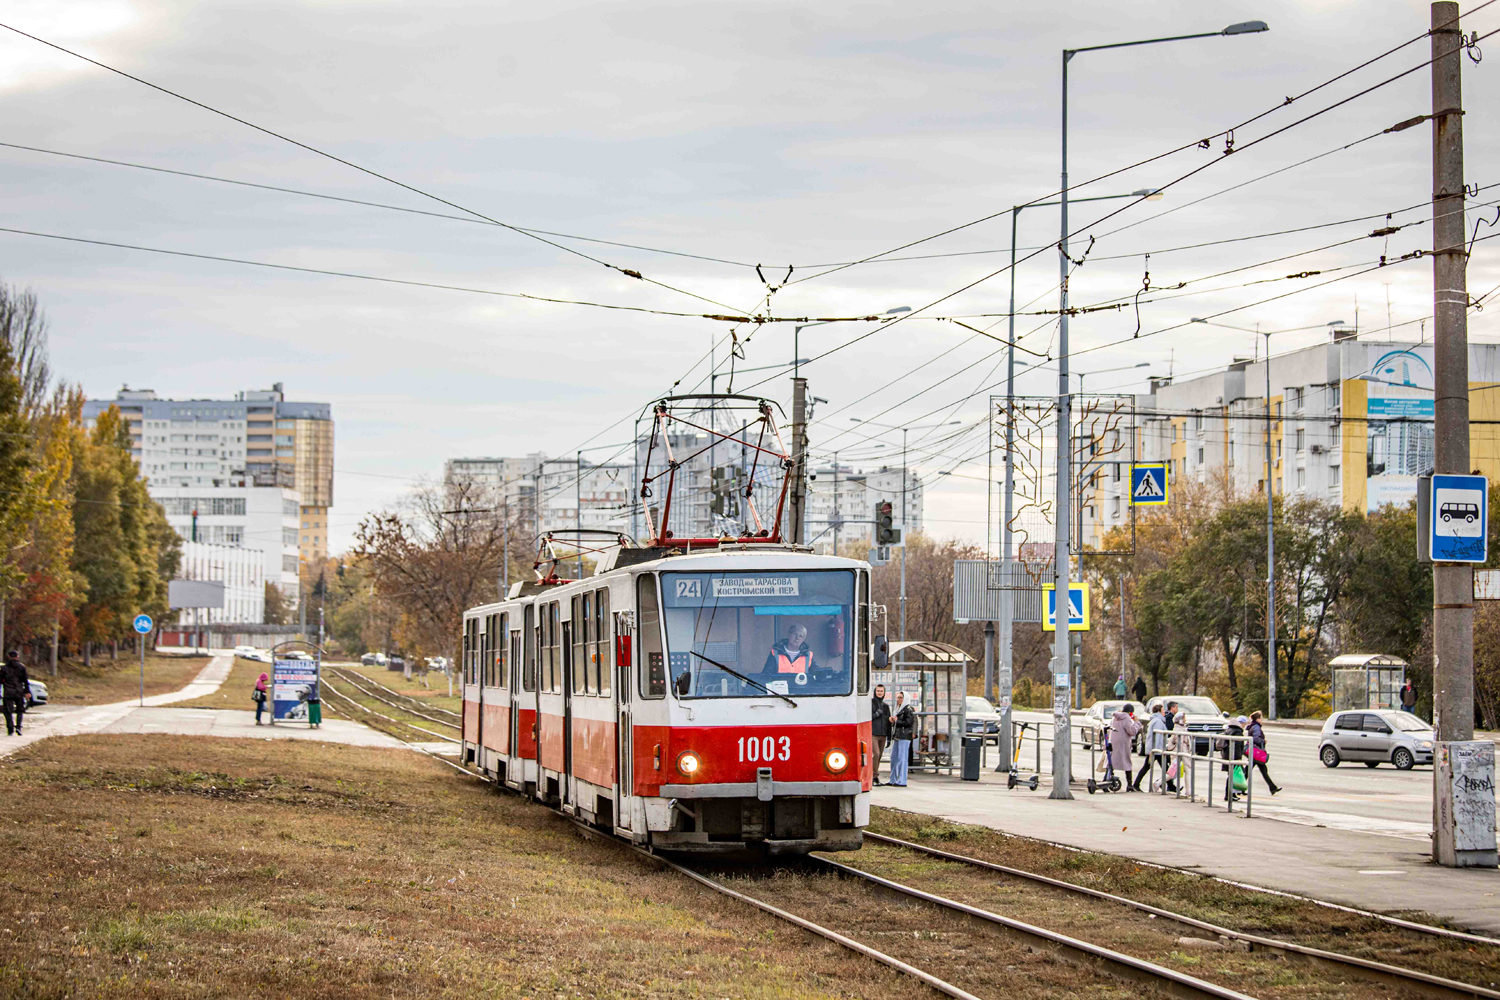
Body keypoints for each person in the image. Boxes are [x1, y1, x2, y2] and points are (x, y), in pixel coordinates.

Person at [1107, 704, 1142, 791]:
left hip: (1113, 742)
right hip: (1123, 743)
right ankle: (1129, 784)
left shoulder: (1115, 717)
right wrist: (1137, 723)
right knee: (1127, 762)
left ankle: (1106, 779)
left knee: (1111, 762)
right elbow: (1132, 731)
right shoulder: (1126, 718)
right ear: (1130, 712)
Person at [1134, 704, 1167, 791]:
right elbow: (1158, 736)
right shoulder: (1158, 721)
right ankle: (1136, 784)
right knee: (1164, 768)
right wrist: (1157, 749)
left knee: (1150, 767)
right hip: (1156, 749)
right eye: (1163, 710)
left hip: (1154, 749)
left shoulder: (1155, 720)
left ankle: (1136, 784)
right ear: (1159, 711)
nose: (1164, 712)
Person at [1246, 710, 1280, 794]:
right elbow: (1256, 738)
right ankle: (1237, 787)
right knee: (1251, 770)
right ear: (1257, 719)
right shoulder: (1256, 727)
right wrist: (1263, 741)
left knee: (1250, 770)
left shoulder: (1253, 726)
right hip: (1256, 752)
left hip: (1254, 751)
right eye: (1261, 718)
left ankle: (1272, 787)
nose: (1261, 719)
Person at [889, 690, 916, 787]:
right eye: (898, 697)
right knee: (894, 758)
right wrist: (893, 721)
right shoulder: (898, 709)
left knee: (902, 758)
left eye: (901, 698)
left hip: (904, 736)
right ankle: (893, 779)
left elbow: (909, 723)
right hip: (897, 735)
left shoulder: (908, 709)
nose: (899, 699)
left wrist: (897, 721)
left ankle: (902, 780)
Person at [1, 651, 28, 737]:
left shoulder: (4, 668)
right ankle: (18, 727)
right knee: (20, 710)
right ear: (17, 657)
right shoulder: (22, 667)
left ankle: (10, 728)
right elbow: (25, 681)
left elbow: (0, 680)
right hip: (19, 691)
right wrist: (27, 691)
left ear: (8, 656)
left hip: (8, 692)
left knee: (8, 711)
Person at [1220, 715, 1248, 801]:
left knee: (1231, 775)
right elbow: (1237, 746)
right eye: (1244, 723)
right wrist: (1238, 758)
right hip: (1233, 756)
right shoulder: (1238, 732)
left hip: (1227, 755)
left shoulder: (1229, 729)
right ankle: (1229, 795)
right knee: (1233, 775)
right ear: (1242, 723)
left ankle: (1231, 794)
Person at [870, 683, 892, 785]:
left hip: (883, 734)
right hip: (873, 734)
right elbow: (868, 718)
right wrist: (877, 714)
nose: (879, 693)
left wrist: (889, 737)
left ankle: (874, 775)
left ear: (884, 693)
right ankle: (874, 776)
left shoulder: (886, 706)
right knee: (876, 754)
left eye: (881, 691)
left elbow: (889, 722)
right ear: (875, 692)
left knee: (879, 756)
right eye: (878, 691)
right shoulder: (871, 703)